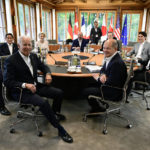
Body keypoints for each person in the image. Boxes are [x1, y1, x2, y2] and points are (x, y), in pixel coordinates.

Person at [3, 36, 73, 143]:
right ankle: (60, 129)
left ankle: (54, 114)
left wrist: (48, 74)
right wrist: (25, 85)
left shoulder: (33, 56)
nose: (27, 47)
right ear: (18, 46)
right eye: (24, 45)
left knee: (59, 93)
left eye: (29, 45)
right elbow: (7, 81)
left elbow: (43, 66)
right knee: (44, 102)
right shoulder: (11, 60)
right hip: (22, 91)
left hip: (35, 86)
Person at [83, 39, 127, 112]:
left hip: (112, 91)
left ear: (115, 49)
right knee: (87, 84)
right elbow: (103, 69)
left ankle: (97, 109)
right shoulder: (111, 57)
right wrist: (103, 74)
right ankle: (99, 105)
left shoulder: (117, 63)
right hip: (109, 86)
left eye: (108, 48)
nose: (105, 50)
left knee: (85, 91)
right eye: (104, 48)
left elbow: (110, 83)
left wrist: (98, 78)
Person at [0, 33, 19, 115]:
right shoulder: (1, 46)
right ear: (5, 39)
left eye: (11, 38)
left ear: (13, 38)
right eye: (8, 38)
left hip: (15, 66)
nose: (9, 39)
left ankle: (16, 95)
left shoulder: (15, 45)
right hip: (4, 67)